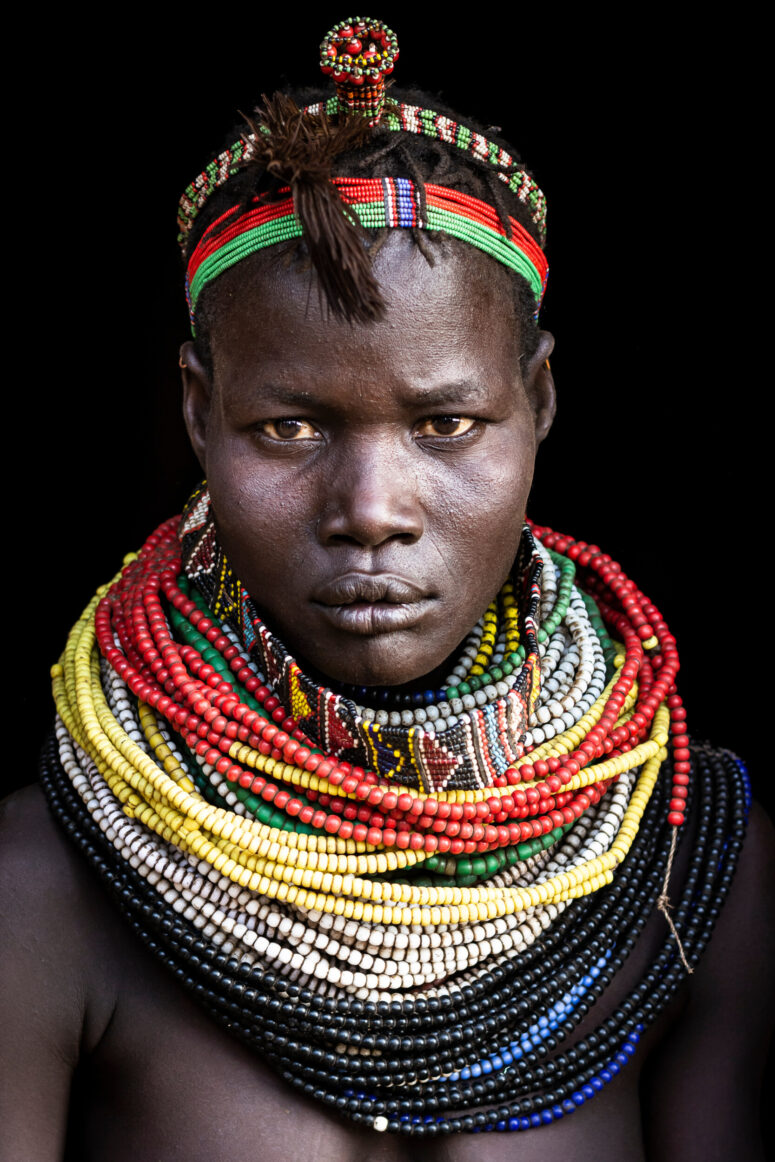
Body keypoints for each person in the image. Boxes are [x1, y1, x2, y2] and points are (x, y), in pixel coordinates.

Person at [1, 15, 773, 1162]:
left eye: (447, 423)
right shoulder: (46, 889)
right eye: (289, 425)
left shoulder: (684, 859)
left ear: (540, 404)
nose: (370, 506)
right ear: (195, 413)